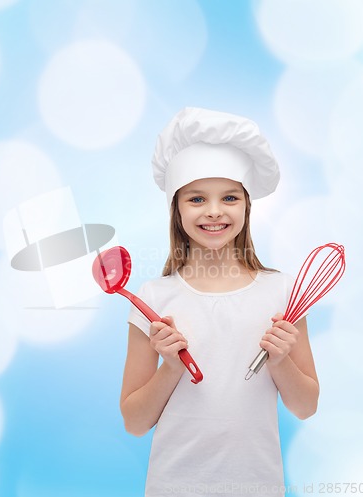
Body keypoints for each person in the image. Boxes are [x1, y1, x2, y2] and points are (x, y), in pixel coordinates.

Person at [120, 108, 319, 497]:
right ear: (176, 209)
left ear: (246, 206)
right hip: (173, 486)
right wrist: (171, 367)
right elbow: (135, 422)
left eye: (229, 197)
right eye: (196, 198)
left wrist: (280, 361)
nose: (214, 210)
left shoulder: (283, 294)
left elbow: (306, 406)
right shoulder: (153, 299)